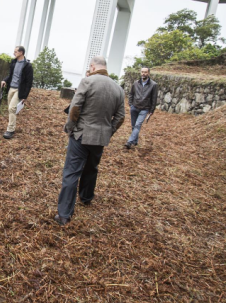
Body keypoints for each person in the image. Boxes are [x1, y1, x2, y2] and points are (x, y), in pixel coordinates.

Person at [55, 56, 125, 226]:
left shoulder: (87, 82)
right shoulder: (118, 89)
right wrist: (108, 131)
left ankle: (64, 214)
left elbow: (74, 108)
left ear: (92, 67)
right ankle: (86, 197)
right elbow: (121, 116)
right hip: (100, 138)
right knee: (92, 167)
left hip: (81, 134)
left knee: (72, 172)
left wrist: (70, 127)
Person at [0, 46, 33, 139]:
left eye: (15, 52)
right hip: (11, 88)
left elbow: (29, 82)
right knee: (10, 109)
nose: (14, 53)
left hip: (19, 90)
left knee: (12, 108)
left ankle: (10, 130)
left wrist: (25, 96)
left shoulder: (27, 66)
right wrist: (4, 80)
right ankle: (11, 126)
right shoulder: (13, 62)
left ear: (21, 52)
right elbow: (11, 75)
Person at [125, 67, 158, 149]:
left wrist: (151, 110)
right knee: (133, 126)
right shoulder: (136, 83)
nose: (143, 73)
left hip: (144, 108)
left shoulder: (153, 85)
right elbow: (131, 94)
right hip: (134, 107)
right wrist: (130, 104)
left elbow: (154, 98)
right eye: (142, 72)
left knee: (137, 125)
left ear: (148, 73)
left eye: (145, 72)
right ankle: (135, 141)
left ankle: (129, 142)